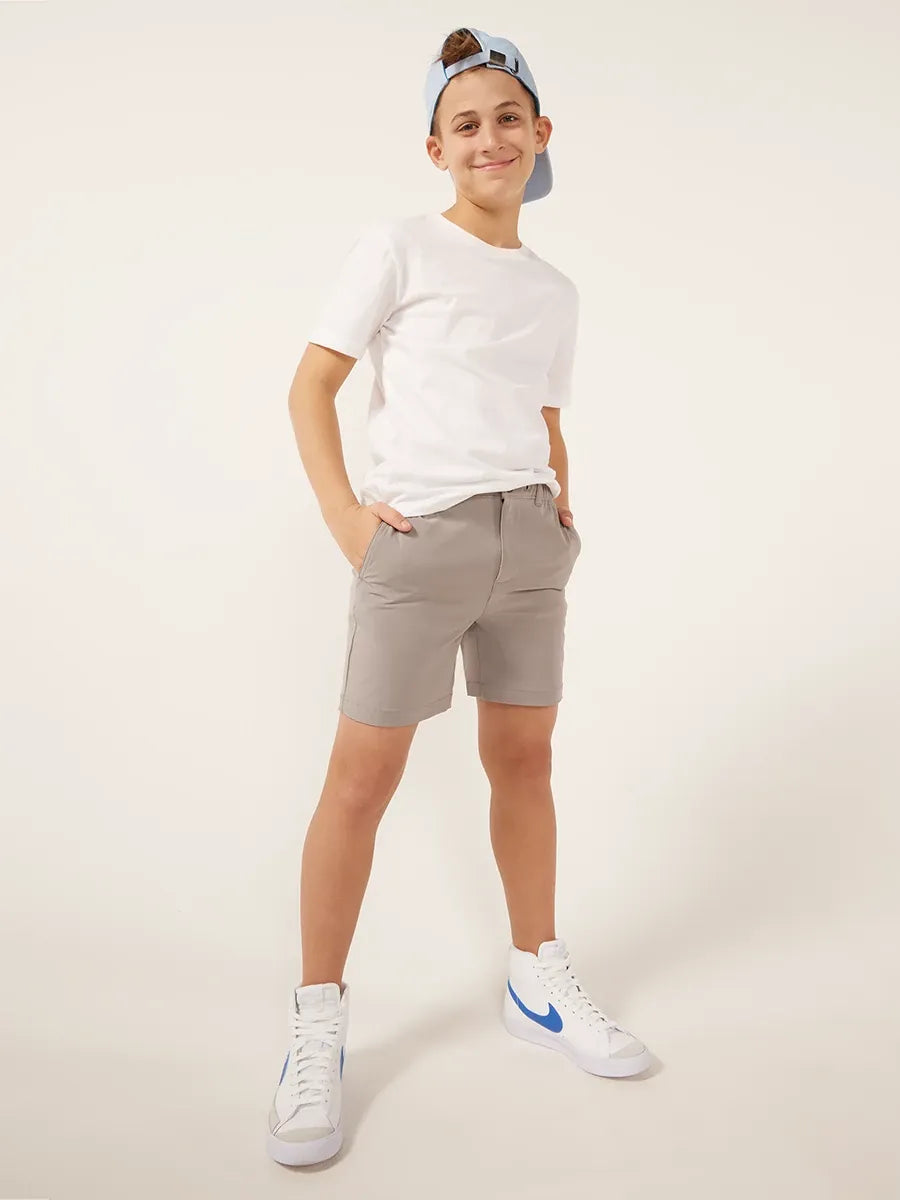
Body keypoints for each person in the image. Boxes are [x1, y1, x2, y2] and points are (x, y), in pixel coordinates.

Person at [266, 26, 651, 1168]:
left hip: (528, 545)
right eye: (466, 124)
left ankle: (536, 976)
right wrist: (346, 518)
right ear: (435, 148)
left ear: (542, 134)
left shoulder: (554, 290)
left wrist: (561, 515)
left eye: (508, 118)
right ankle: (317, 1019)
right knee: (360, 780)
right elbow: (312, 386)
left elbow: (545, 415)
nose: (491, 138)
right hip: (417, 542)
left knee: (524, 761)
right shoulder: (398, 247)